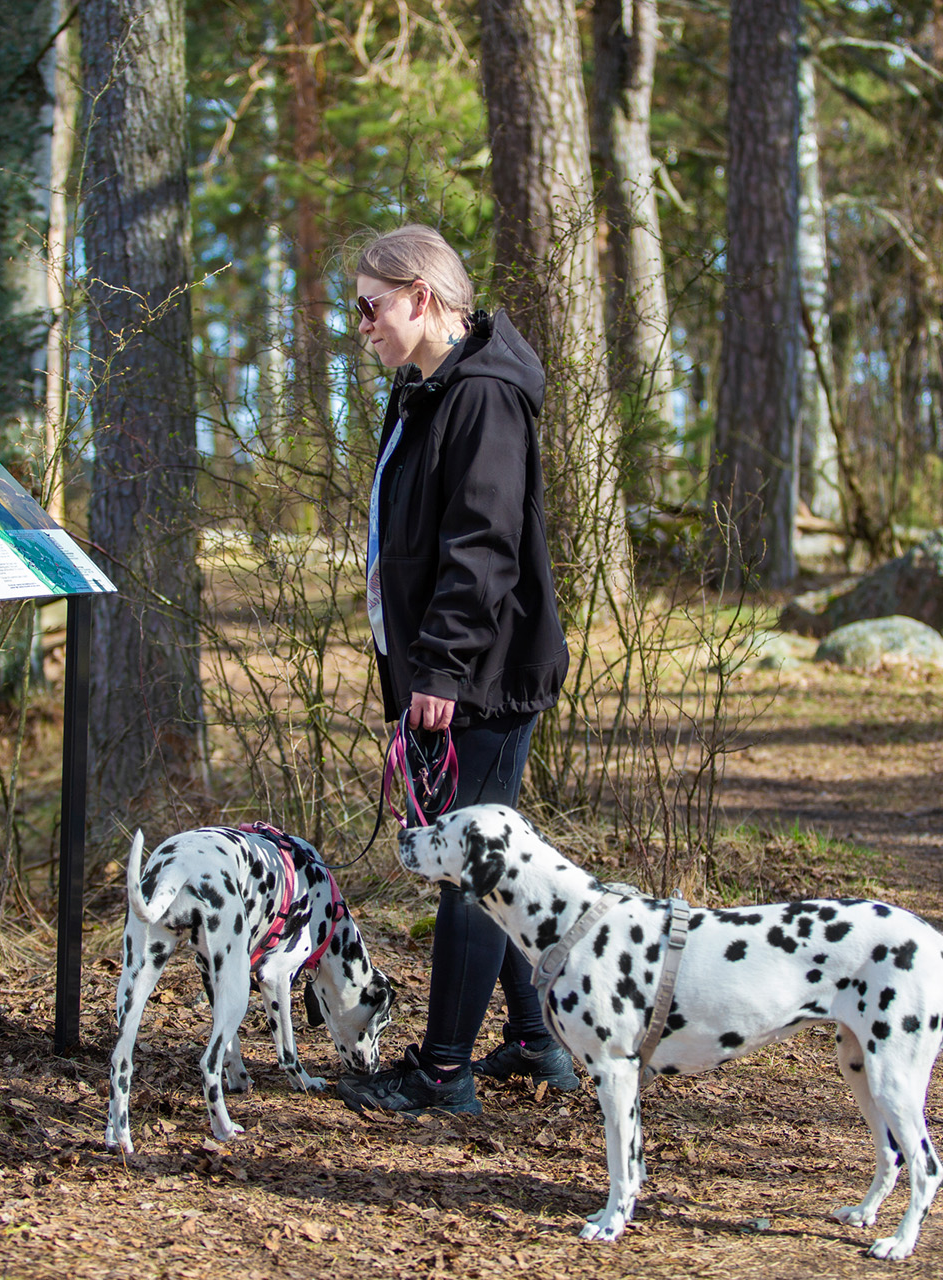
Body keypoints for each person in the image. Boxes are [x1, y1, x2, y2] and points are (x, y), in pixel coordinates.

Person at [334, 224, 579, 1117]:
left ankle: (443, 1072)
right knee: (486, 855)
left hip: (478, 676)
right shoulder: (424, 391)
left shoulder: (483, 397)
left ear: (424, 299)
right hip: (445, 675)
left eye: (371, 306)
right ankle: (535, 1038)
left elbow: (481, 551)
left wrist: (437, 670)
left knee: (470, 868)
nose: (361, 324)